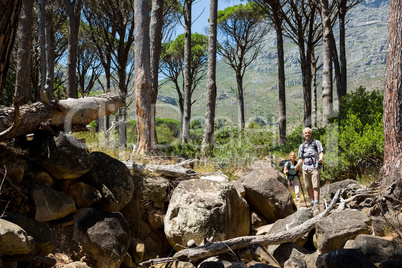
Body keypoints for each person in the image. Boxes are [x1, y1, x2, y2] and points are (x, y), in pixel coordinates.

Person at [295, 127, 324, 205]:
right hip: (305, 168)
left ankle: (316, 202)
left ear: (311, 134)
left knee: (315, 185)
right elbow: (301, 158)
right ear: (303, 135)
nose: (307, 134)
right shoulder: (301, 146)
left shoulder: (316, 142)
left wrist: (321, 158)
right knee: (308, 186)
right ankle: (312, 201)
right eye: (306, 133)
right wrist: (297, 165)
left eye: (309, 133)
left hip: (314, 167)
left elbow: (321, 152)